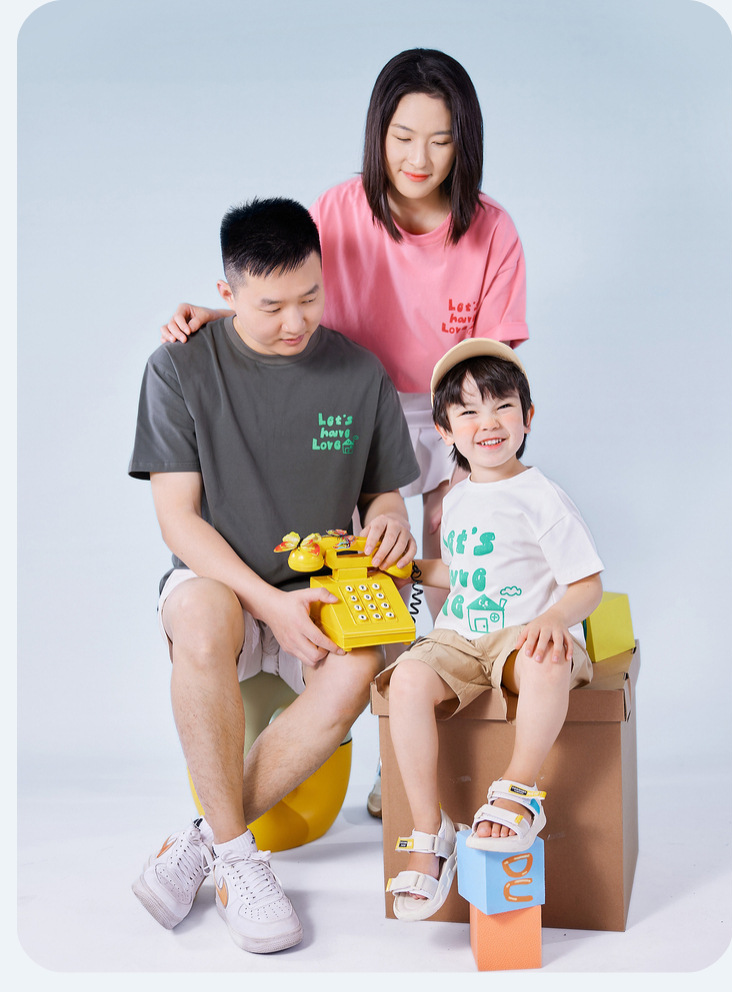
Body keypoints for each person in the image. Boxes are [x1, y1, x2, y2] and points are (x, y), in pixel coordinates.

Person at [128, 197, 419, 953]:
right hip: (222, 584)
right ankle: (243, 861)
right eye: (271, 307)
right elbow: (178, 521)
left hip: (317, 590)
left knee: (359, 662)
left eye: (310, 297)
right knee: (200, 617)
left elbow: (383, 494)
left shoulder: (358, 372)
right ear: (226, 293)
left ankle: (210, 846)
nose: (296, 321)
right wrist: (266, 603)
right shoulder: (178, 366)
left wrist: (391, 519)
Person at [159, 48, 528, 622]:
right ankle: (374, 661)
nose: (419, 159)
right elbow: (288, 289)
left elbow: (491, 366)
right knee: (361, 560)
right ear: (378, 133)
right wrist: (226, 314)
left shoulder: (493, 230)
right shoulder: (336, 211)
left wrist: (469, 461)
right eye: (402, 137)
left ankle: (455, 648)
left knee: (453, 535)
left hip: (451, 406)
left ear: (465, 143)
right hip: (350, 403)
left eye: (440, 141)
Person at [377, 338, 603, 921]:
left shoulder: (541, 496)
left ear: (528, 417)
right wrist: (412, 570)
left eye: (503, 406)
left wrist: (554, 619)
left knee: (547, 658)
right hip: (461, 637)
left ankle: (518, 789)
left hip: (523, 634)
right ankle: (429, 829)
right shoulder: (456, 498)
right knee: (406, 680)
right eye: (469, 411)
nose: (489, 422)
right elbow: (464, 573)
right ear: (445, 431)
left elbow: (587, 585)